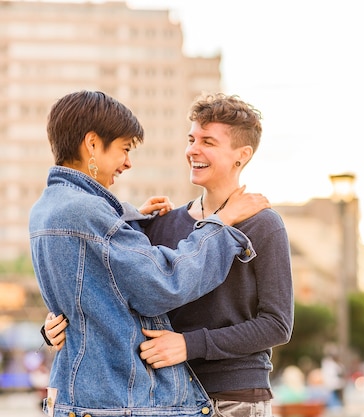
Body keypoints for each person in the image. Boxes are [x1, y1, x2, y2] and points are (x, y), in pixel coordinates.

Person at [45, 93, 294, 417]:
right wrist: (54, 323)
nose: (193, 150)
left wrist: (189, 345)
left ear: (241, 156)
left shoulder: (264, 225)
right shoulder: (161, 223)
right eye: (191, 139)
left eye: (208, 141)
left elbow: (277, 325)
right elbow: (114, 296)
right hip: (162, 395)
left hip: (234, 395)